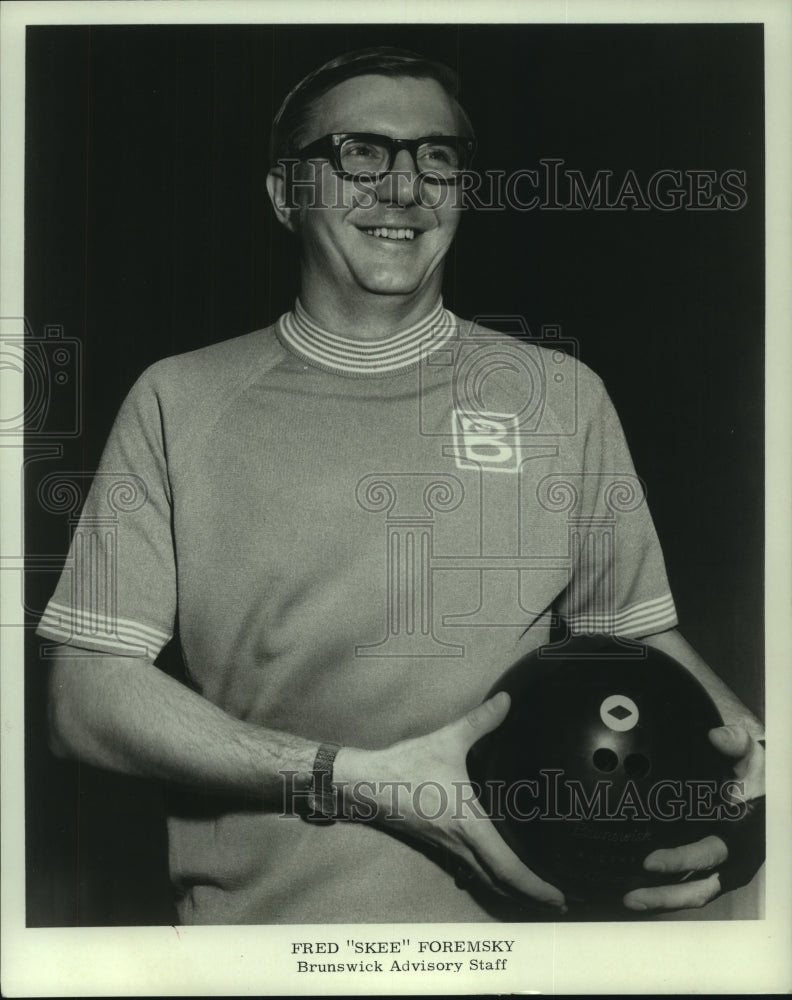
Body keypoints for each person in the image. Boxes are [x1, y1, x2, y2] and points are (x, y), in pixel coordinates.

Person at [38, 47, 765, 925]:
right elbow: (85, 697)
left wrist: (756, 783)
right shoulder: (178, 399)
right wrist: (347, 779)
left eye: (438, 157)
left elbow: (640, 651)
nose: (404, 188)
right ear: (284, 194)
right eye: (360, 153)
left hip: (530, 959)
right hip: (267, 958)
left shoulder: (561, 396)